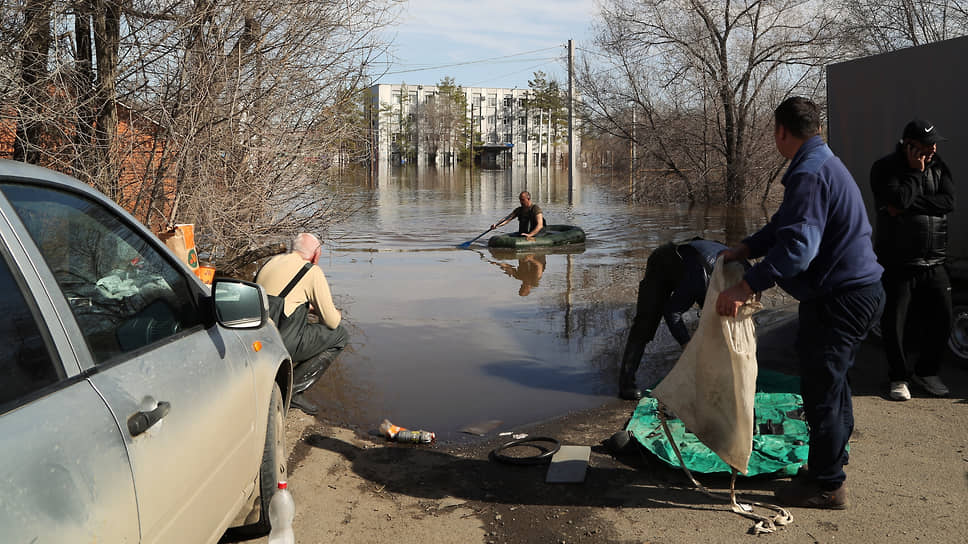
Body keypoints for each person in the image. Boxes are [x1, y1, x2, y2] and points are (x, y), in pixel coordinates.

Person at [716, 97, 885, 510]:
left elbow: (797, 250)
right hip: (857, 292)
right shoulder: (822, 161)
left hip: (841, 298)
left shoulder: (809, 173)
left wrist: (746, 286)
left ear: (780, 132)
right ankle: (829, 465)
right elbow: (783, 227)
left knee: (822, 391)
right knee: (834, 386)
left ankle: (828, 486)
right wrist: (747, 247)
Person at [870, 119, 955, 401]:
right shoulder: (885, 168)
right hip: (898, 261)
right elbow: (897, 199)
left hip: (934, 260)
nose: (932, 151)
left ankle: (926, 372)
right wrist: (916, 176)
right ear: (909, 146)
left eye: (933, 146)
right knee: (895, 324)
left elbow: (948, 202)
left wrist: (906, 205)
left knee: (943, 319)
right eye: (926, 146)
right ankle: (898, 377)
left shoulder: (939, 165)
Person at [618, 238, 728, 400]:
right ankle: (626, 383)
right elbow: (672, 312)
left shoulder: (743, 270)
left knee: (718, 324)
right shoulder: (700, 282)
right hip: (662, 266)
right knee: (645, 322)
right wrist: (686, 344)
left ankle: (714, 374)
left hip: (693, 261)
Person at [256, 233, 349, 415]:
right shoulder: (310, 271)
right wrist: (335, 313)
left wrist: (309, 309)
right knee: (340, 335)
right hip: (282, 342)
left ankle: (278, 382)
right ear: (316, 255)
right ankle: (293, 392)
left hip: (260, 338)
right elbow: (331, 321)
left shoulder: (269, 263)